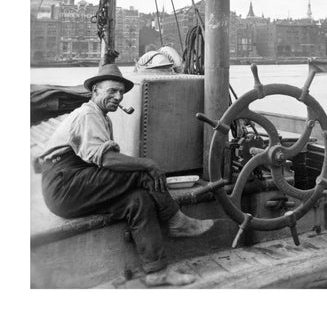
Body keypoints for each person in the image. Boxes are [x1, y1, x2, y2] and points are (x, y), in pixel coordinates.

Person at [39, 63, 214, 287]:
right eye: (111, 91)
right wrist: (147, 163)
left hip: (74, 187)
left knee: (138, 201)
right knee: (143, 171)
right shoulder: (87, 115)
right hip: (64, 185)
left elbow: (106, 163)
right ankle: (176, 220)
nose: (118, 96)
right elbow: (107, 159)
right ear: (95, 91)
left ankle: (156, 271)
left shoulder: (103, 118)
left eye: (121, 92)